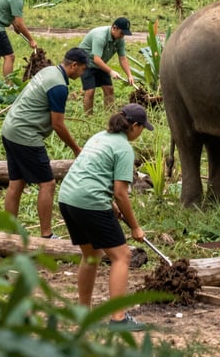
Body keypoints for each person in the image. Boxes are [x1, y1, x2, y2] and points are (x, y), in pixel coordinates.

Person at [58, 103, 154, 331]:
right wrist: (135, 227)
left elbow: (93, 174)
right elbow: (121, 192)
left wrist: (109, 204)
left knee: (91, 255)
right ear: (135, 126)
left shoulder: (99, 137)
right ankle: (118, 318)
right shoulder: (123, 149)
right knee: (122, 255)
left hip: (68, 197)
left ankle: (83, 312)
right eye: (142, 128)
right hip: (88, 201)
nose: (141, 133)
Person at [2, 47, 88, 239]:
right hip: (25, 134)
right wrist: (76, 149)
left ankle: (8, 235)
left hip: (10, 129)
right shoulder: (58, 86)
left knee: (16, 183)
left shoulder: (49, 71)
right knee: (48, 184)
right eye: (83, 69)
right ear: (74, 65)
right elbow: (58, 124)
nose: (83, 74)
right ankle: (47, 235)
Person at [78, 17, 136, 113]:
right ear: (114, 28)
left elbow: (122, 58)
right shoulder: (100, 36)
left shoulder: (119, 39)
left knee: (109, 89)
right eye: (122, 33)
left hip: (100, 63)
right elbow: (96, 59)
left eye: (124, 34)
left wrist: (129, 75)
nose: (123, 36)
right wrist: (111, 71)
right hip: (85, 62)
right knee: (90, 91)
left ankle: (109, 115)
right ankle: (88, 116)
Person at [0, 0, 42, 78]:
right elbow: (20, 23)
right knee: (10, 56)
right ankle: (9, 87)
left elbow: (7, 10)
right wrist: (31, 40)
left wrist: (14, 25)